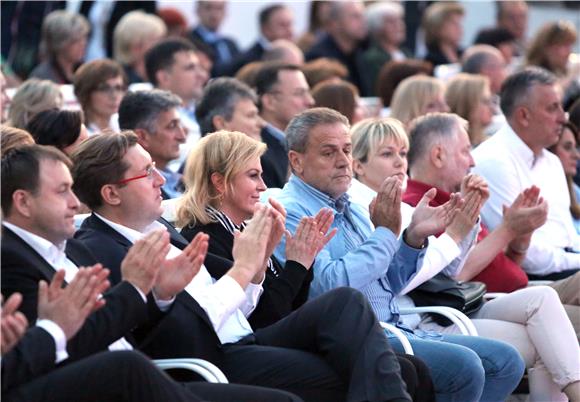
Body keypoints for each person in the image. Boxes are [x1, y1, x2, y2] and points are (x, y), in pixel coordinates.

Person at [71, 131, 417, 402]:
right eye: (146, 173)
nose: (161, 179)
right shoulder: (99, 249)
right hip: (209, 356)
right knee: (397, 373)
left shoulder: (161, 228)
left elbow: (246, 311)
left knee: (347, 304)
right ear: (112, 194)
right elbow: (176, 332)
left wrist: (255, 272)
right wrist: (245, 270)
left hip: (242, 338)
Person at [0, 144, 306, 402]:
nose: (73, 203)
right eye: (61, 191)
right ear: (23, 202)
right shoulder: (13, 259)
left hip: (168, 366)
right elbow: (63, 351)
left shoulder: (79, 249)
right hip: (127, 378)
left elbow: (122, 328)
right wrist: (132, 289)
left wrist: (159, 295)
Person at [274, 107, 525, 402]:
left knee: (507, 362)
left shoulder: (351, 204)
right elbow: (328, 288)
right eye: (329, 153)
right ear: (297, 161)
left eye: (346, 150)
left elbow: (389, 283)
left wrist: (414, 238)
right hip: (357, 338)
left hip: (397, 324)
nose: (344, 162)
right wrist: (385, 233)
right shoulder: (291, 210)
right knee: (466, 368)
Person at [177, 130, 437, 402]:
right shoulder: (202, 240)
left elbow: (286, 306)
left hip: (269, 340)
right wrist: (295, 265)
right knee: (346, 301)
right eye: (253, 176)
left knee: (411, 368)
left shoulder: (250, 229)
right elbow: (264, 318)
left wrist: (302, 262)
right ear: (219, 182)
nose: (264, 187)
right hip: (239, 351)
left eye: (261, 176)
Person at [401, 112, 580, 402]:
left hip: (492, 298)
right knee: (552, 337)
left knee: (545, 301)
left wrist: (519, 240)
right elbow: (453, 274)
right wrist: (508, 229)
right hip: (455, 309)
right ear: (437, 155)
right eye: (465, 150)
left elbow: (502, 266)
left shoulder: (455, 197)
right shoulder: (416, 204)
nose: (472, 161)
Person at [472, 67, 580, 280]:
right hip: (538, 280)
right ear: (523, 115)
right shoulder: (494, 161)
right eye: (552, 108)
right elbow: (527, 256)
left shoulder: (551, 161)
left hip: (566, 267)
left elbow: (568, 237)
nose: (563, 117)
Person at [145, 38, 207, 167]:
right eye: (190, 68)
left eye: (199, 68)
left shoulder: (205, 110)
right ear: (164, 77)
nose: (202, 75)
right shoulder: (145, 116)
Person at [118, 89, 186, 199]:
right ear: (142, 137)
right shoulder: (138, 198)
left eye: (180, 125)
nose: (182, 137)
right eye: (172, 126)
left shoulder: (184, 180)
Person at [255, 62, 315, 188]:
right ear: (270, 101)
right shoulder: (257, 151)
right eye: (299, 93)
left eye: (308, 92)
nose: (310, 101)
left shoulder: (307, 141)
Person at [305, 1, 370, 96]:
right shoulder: (318, 57)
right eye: (355, 16)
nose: (363, 21)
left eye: (362, 15)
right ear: (335, 23)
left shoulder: (362, 51)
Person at [226, 4, 295, 76]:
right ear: (265, 29)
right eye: (282, 25)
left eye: (290, 24)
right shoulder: (247, 62)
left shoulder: (297, 53)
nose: (290, 31)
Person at [362, 2, 410, 97]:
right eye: (391, 22)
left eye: (400, 20)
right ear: (377, 27)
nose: (399, 25)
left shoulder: (407, 53)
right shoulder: (372, 58)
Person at [29, 10, 89, 84]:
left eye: (84, 38)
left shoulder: (86, 73)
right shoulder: (42, 76)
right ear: (60, 43)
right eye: (76, 40)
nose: (83, 44)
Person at [73, 59, 127, 134]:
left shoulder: (124, 126)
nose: (114, 96)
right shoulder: (77, 134)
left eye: (118, 88)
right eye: (105, 88)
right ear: (86, 92)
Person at [113, 11, 167, 84]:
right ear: (136, 46)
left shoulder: (159, 78)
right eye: (157, 40)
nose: (163, 45)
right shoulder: (119, 83)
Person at [189, 1, 240, 77]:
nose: (214, 14)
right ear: (197, 10)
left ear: (225, 12)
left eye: (219, 8)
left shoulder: (230, 44)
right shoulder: (188, 41)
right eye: (208, 8)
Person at [445, 73, 495, 146]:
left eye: (491, 100)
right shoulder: (451, 149)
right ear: (467, 104)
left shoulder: (492, 142)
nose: (492, 108)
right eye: (485, 101)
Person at [548, 122, 580, 234]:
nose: (577, 155)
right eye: (567, 147)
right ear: (550, 152)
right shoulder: (544, 195)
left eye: (576, 147)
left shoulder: (575, 190)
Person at [422, 2, 465, 67]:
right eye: (454, 23)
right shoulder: (430, 61)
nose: (459, 28)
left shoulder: (465, 55)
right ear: (438, 26)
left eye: (459, 23)